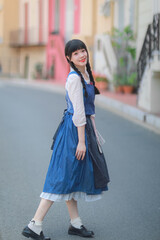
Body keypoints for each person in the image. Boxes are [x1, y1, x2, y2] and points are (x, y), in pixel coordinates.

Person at [22, 39, 110, 240]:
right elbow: (79, 112)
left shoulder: (85, 75)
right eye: (76, 53)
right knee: (61, 177)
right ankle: (34, 224)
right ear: (69, 58)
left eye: (83, 50)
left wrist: (94, 136)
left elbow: (89, 112)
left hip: (81, 130)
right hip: (74, 132)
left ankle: (75, 224)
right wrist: (81, 141)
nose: (81, 55)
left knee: (72, 175)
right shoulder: (74, 79)